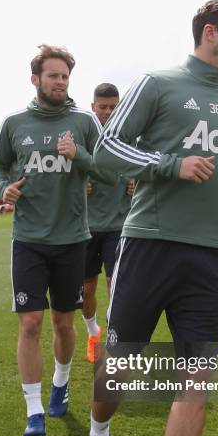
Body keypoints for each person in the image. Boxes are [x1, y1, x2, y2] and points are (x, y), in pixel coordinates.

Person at [89, 0, 218, 436]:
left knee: (197, 380)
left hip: (208, 257)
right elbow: (106, 147)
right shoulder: (157, 83)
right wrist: (169, 164)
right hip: (148, 248)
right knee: (118, 374)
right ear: (210, 33)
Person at [0, 44, 113, 436]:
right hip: (27, 239)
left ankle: (61, 382)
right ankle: (34, 410)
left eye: (65, 76)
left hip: (72, 239)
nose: (60, 82)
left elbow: (108, 170)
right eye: (53, 76)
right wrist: (3, 188)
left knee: (62, 322)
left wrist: (79, 156)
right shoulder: (15, 123)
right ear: (36, 79)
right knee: (31, 323)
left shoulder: (84, 122)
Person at [82, 83, 134, 363]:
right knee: (86, 290)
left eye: (113, 106)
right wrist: (78, 185)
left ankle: (114, 341)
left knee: (116, 287)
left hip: (118, 226)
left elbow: (146, 167)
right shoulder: (83, 138)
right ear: (93, 107)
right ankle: (93, 333)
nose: (108, 111)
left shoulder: (128, 138)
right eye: (103, 106)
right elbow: (66, 173)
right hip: (86, 229)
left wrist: (138, 181)